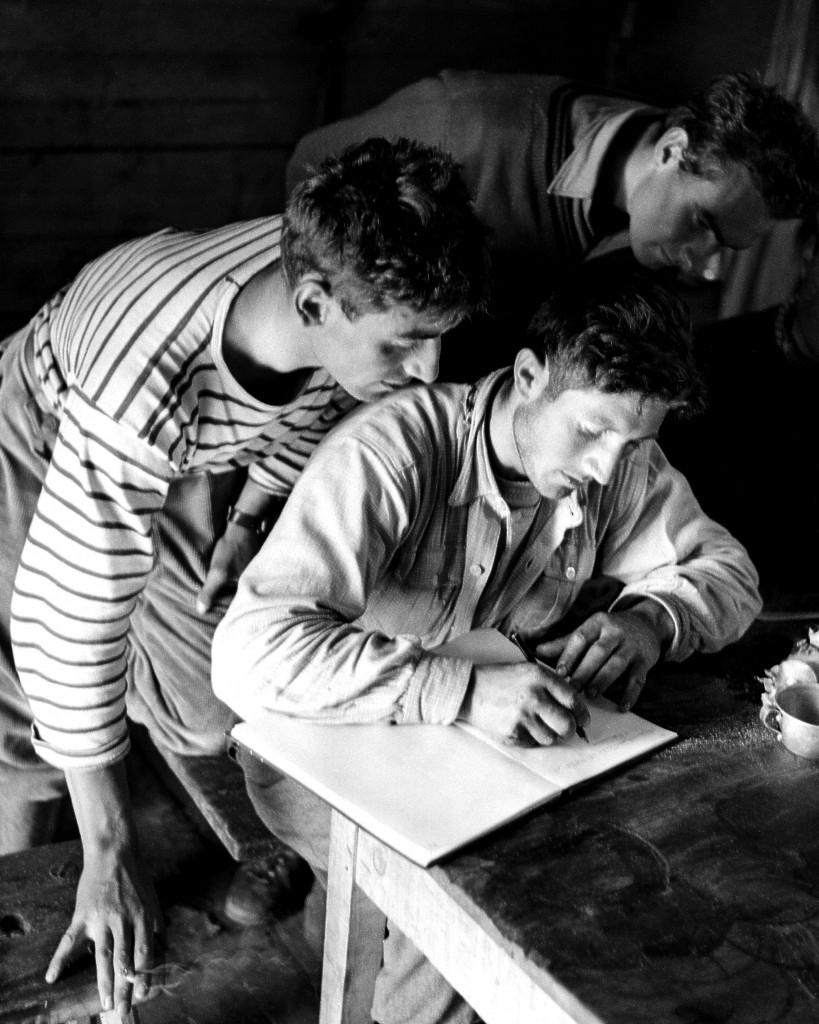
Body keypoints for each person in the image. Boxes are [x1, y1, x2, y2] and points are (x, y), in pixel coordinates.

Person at [0, 137, 490, 1019]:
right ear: (314, 302)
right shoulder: (138, 390)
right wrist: (112, 842)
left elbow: (323, 394)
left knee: (208, 691)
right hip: (39, 431)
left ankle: (127, 740)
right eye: (409, 345)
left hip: (194, 450)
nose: (429, 375)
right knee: (37, 686)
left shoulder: (333, 279)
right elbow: (69, 618)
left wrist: (248, 517)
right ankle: (65, 878)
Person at [211, 266, 762, 1024]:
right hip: (323, 745)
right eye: (593, 429)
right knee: (462, 900)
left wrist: (651, 620)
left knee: (617, 863)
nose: (606, 466)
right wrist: (461, 690)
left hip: (485, 764)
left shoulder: (618, 465)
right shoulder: (390, 454)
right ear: (529, 376)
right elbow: (248, 658)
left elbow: (729, 573)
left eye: (633, 440)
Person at [286, 69, 819, 375]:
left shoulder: (656, 226)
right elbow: (307, 172)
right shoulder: (470, 126)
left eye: (729, 247)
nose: (706, 269)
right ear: (673, 150)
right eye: (703, 223)